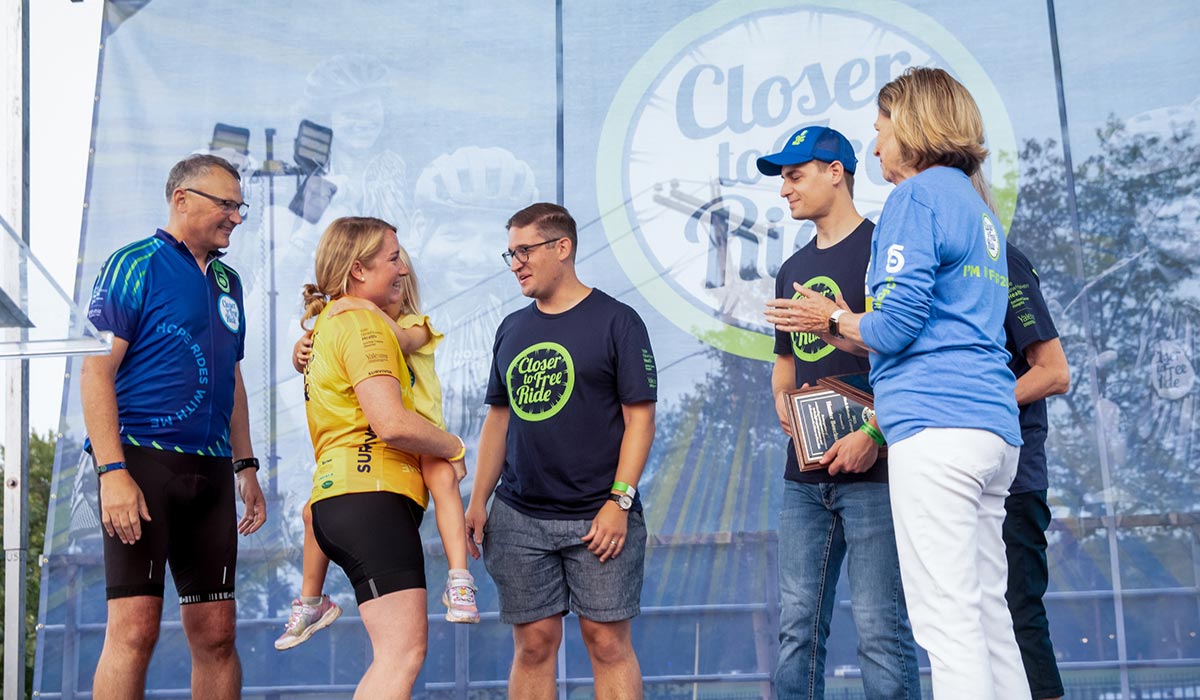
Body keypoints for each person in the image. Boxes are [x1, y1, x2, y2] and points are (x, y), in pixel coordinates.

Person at [770, 67, 1029, 698]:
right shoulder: (977, 205)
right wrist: (840, 331)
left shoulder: (917, 199)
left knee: (949, 622)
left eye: (881, 131)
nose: (878, 147)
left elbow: (899, 325)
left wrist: (829, 316)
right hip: (991, 429)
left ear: (912, 129)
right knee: (989, 617)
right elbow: (938, 323)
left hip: (937, 431)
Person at [80, 154, 267, 700]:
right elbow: (96, 370)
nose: (235, 216)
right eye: (226, 204)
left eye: (240, 206)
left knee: (217, 633)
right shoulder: (134, 262)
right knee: (134, 629)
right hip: (140, 461)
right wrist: (112, 470)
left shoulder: (230, 281)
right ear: (182, 199)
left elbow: (231, 378)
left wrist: (246, 464)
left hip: (209, 472)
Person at [464, 203, 657, 699]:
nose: (516, 264)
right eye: (510, 253)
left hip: (601, 516)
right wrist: (478, 500)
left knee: (607, 642)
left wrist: (619, 502)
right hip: (519, 518)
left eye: (525, 250)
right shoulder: (511, 328)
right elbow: (499, 419)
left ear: (562, 247)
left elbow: (640, 420)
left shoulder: (619, 321)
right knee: (533, 644)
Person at [758, 126, 920, 700]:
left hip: (876, 469)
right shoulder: (791, 268)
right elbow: (784, 361)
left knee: (881, 630)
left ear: (836, 171)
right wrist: (781, 399)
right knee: (796, 630)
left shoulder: (886, 249)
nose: (784, 190)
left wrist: (873, 433)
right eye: (782, 178)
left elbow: (905, 350)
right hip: (803, 475)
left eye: (795, 175)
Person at [275, 242, 479, 651]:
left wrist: (361, 307)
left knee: (443, 481)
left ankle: (460, 579)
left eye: (401, 281)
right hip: (370, 462)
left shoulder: (415, 324)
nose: (397, 280)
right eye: (391, 269)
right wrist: (302, 354)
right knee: (312, 510)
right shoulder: (344, 326)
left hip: (422, 429)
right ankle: (311, 600)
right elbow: (325, 360)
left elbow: (403, 341)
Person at [1000, 240, 1070, 700]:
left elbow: (1055, 373)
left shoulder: (1002, 261)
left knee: (1018, 611)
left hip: (1015, 477)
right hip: (960, 474)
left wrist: (975, 407)